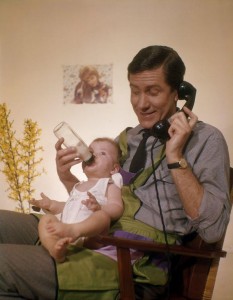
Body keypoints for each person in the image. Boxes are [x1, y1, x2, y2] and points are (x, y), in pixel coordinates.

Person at [0, 45, 230, 300]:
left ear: (178, 93)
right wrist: (68, 179)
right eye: (135, 91)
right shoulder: (128, 137)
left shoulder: (207, 140)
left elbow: (213, 230)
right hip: (85, 228)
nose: (141, 104)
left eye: (153, 92)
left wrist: (175, 157)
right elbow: (101, 196)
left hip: (123, 259)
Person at [29, 137, 123, 263]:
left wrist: (100, 208)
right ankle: (54, 247)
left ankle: (74, 230)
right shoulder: (78, 186)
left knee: (103, 216)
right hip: (64, 232)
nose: (93, 155)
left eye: (102, 153)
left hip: (91, 237)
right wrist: (51, 204)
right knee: (46, 219)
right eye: (90, 151)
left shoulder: (108, 184)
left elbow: (117, 207)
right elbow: (68, 206)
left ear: (114, 169)